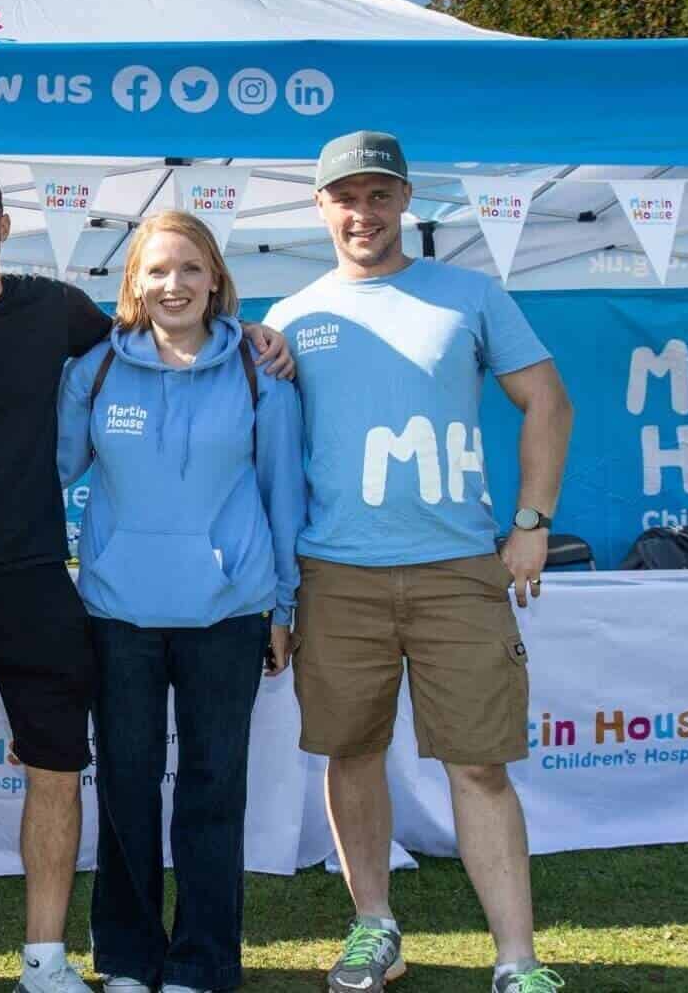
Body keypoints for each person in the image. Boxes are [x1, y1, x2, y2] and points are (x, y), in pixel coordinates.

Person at [0, 162, 292, 993]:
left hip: (37, 579)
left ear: (5, 226)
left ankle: (46, 956)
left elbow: (163, 325)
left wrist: (250, 330)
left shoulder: (58, 310)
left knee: (56, 769)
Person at [265, 132, 572, 993]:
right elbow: (267, 458)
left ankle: (517, 958)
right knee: (350, 755)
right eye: (346, 197)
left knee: (479, 764)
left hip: (457, 570)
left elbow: (546, 398)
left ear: (406, 202)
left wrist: (532, 521)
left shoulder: (470, 294)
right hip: (336, 576)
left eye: (379, 195)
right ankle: (375, 928)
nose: (363, 213)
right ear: (320, 207)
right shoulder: (290, 319)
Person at [55, 211, 303, 993]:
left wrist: (285, 607)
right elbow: (46, 474)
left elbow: (283, 497)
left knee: (212, 789)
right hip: (117, 613)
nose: (174, 285)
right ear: (133, 283)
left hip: (229, 614)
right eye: (157, 271)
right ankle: (127, 956)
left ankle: (203, 961)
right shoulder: (92, 371)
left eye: (191, 269)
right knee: (126, 784)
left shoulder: (264, 375)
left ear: (216, 281)